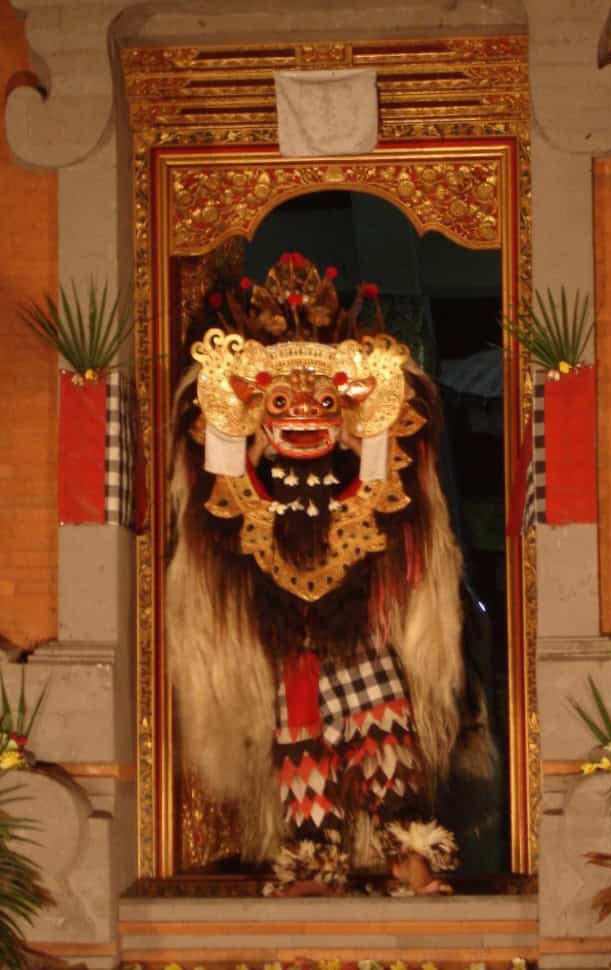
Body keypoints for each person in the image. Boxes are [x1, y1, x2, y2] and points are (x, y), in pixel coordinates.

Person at [167, 252, 475, 894]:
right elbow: (219, 495)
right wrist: (232, 436)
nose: (302, 415)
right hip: (289, 635)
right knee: (300, 743)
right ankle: (313, 862)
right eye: (280, 401)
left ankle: (412, 860)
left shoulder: (368, 467)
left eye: (323, 401)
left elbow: (394, 488)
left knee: (384, 739)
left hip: (358, 626)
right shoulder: (243, 472)